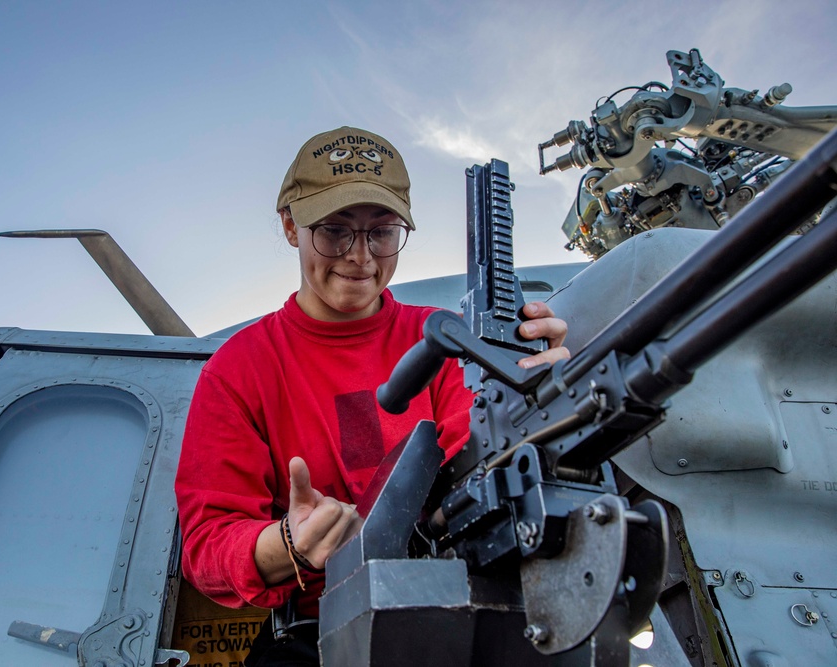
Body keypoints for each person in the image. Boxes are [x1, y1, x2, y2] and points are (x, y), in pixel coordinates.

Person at [174, 126, 569, 666]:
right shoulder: (239, 368)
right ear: (290, 225)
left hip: (469, 616)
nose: (360, 257)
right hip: (317, 635)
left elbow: (483, 470)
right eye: (334, 231)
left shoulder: (450, 341)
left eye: (381, 233)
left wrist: (543, 399)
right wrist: (291, 542)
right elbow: (207, 546)